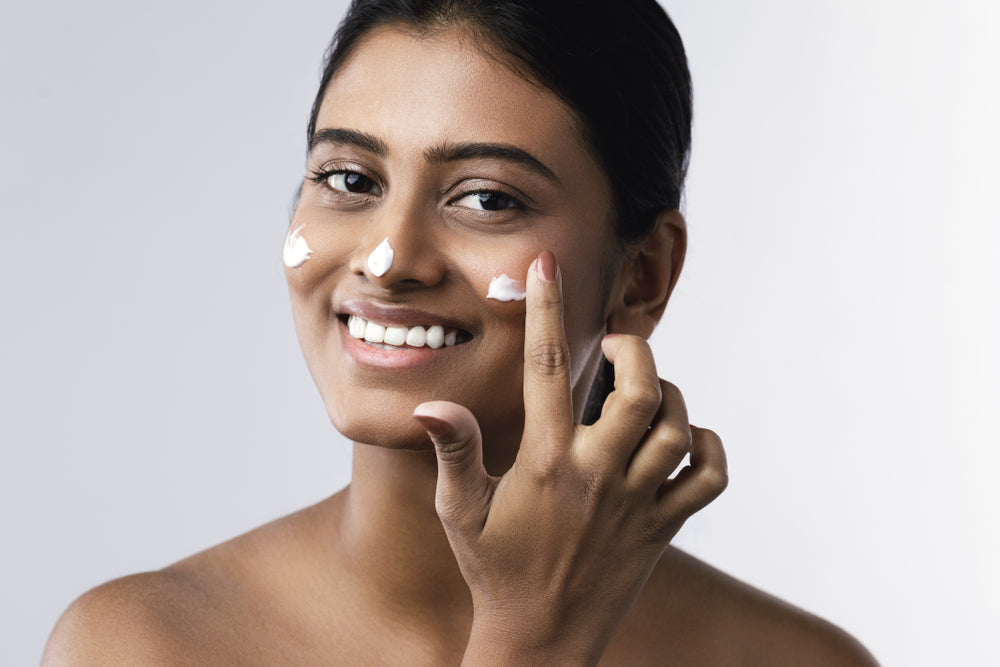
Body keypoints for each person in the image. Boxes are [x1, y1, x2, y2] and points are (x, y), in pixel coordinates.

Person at [42, 0, 878, 664]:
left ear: (643, 274)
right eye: (349, 178)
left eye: (486, 198)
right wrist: (532, 645)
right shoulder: (139, 646)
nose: (390, 256)